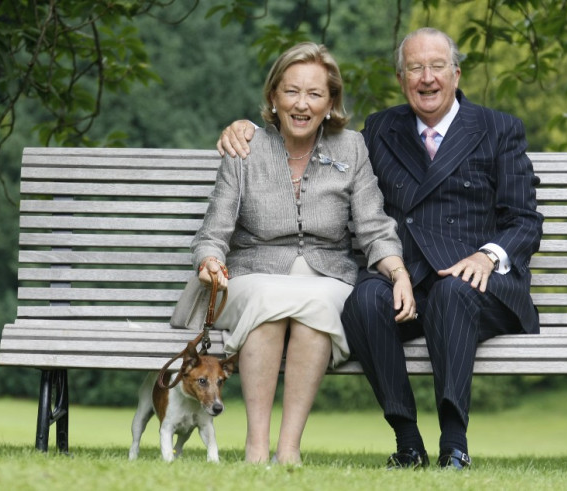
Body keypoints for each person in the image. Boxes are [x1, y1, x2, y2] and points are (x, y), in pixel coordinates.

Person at [217, 28, 543, 470]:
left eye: (437, 67)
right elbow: (314, 146)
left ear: (456, 73)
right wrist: (247, 128)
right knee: (366, 298)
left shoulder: (498, 129)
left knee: (453, 292)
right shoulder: (381, 130)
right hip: (408, 283)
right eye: (414, 68)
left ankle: (455, 444)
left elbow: (524, 219)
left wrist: (488, 256)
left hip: (478, 284)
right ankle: (407, 441)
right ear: (401, 77)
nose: (426, 78)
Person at [196, 42, 415, 465]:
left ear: (331, 102)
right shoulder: (245, 148)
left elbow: (374, 227)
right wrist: (209, 261)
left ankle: (289, 449)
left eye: (315, 94)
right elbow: (213, 231)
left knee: (316, 305)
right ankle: (256, 447)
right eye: (291, 91)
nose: (302, 104)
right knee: (268, 302)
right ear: (273, 96)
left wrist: (398, 272)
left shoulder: (351, 148)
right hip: (250, 275)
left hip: (326, 277)